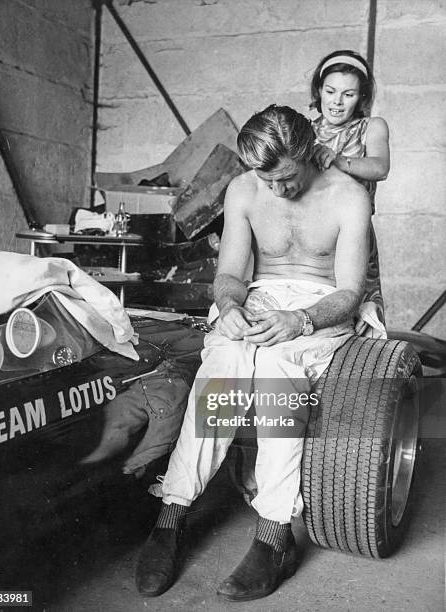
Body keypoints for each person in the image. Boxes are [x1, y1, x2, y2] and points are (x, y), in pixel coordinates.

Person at [134, 104, 370, 601]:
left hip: (319, 304)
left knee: (280, 373)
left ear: (308, 155)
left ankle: (273, 534)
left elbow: (350, 291)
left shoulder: (349, 197)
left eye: (286, 178)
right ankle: (172, 513)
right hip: (259, 297)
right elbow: (230, 274)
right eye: (268, 180)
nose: (278, 190)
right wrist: (230, 306)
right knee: (224, 363)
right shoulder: (244, 189)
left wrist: (301, 320)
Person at [310, 49, 389, 336]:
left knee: (358, 314)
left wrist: (337, 159)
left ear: (362, 97)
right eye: (330, 91)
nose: (337, 102)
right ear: (319, 90)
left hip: (353, 233)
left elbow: (380, 167)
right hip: (313, 233)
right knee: (316, 315)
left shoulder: (371, 127)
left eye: (349, 94)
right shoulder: (304, 131)